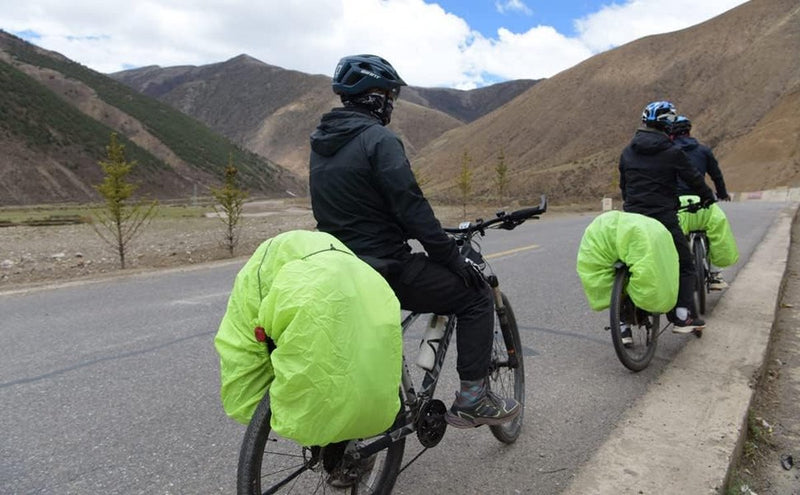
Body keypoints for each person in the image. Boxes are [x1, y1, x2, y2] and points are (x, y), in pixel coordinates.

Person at [308, 54, 520, 429]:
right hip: (384, 268)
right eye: (389, 94)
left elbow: (359, 208)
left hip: (337, 266)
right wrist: (454, 260)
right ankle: (473, 398)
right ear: (374, 96)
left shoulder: (323, 143)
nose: (392, 102)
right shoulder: (379, 139)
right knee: (475, 296)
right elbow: (412, 208)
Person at [618, 101, 716, 338]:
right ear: (668, 126)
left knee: (629, 264)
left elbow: (624, 187)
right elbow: (693, 179)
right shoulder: (673, 153)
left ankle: (623, 325)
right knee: (685, 264)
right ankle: (682, 315)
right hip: (662, 218)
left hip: (632, 218)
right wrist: (707, 197)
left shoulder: (627, 152)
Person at [672, 115, 731, 290]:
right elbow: (716, 175)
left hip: (677, 205)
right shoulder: (704, 151)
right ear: (689, 132)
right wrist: (722, 193)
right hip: (702, 201)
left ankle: (676, 274)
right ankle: (714, 274)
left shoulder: (668, 152)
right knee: (718, 229)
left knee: (673, 238)